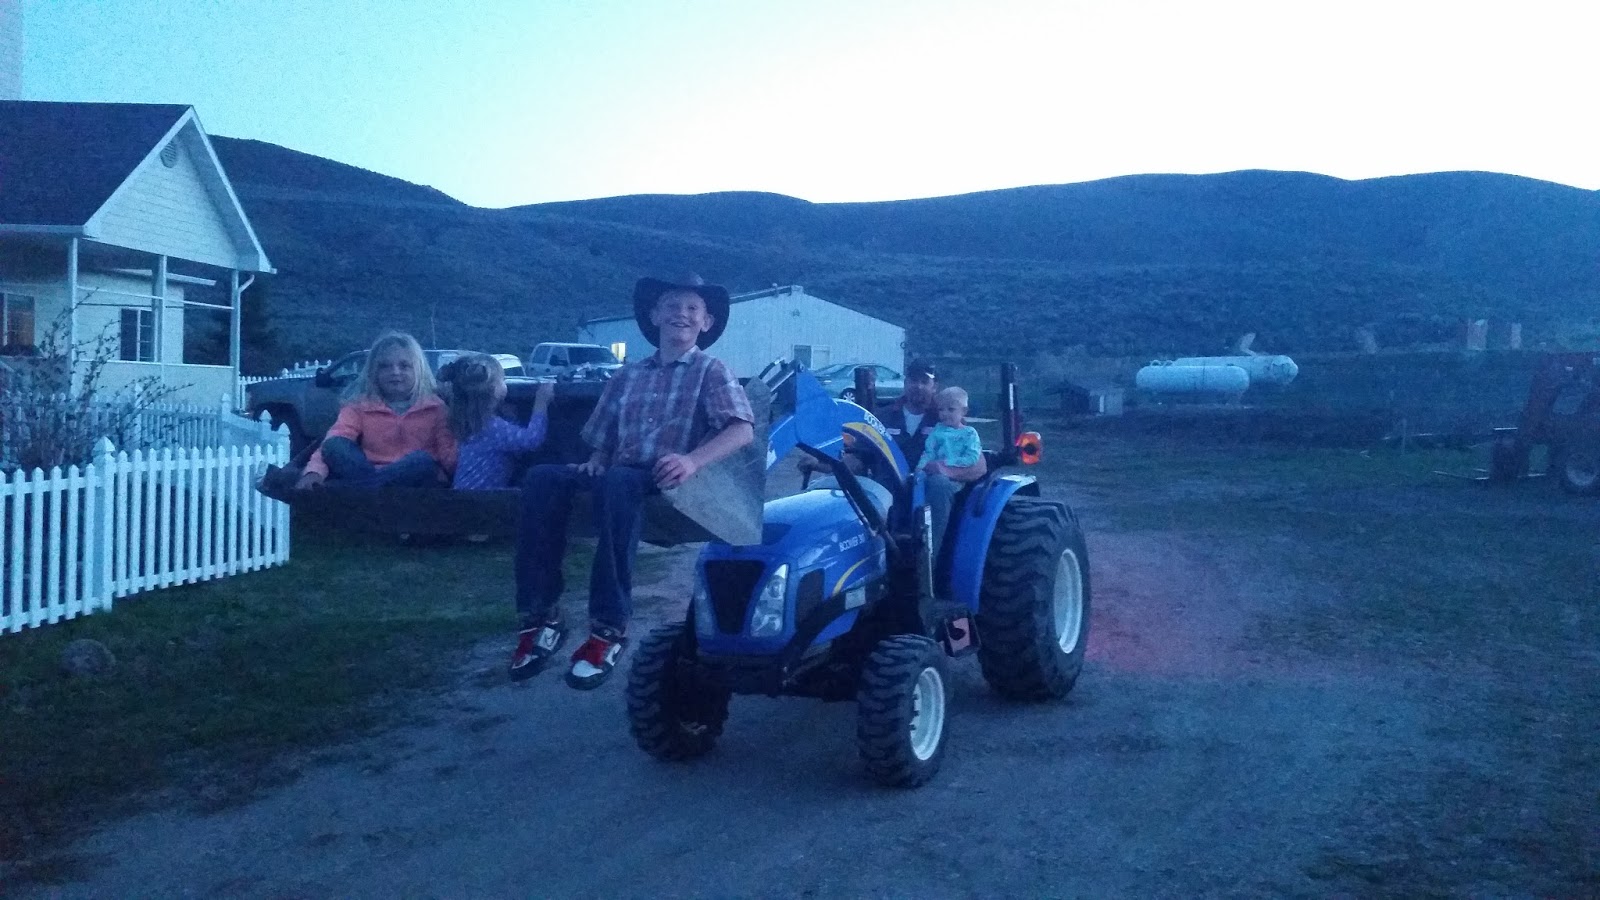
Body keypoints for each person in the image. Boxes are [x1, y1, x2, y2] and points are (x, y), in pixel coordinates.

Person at [509, 274, 755, 689]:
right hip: (617, 472)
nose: (681, 314)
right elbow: (602, 436)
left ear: (706, 322)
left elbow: (741, 429)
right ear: (655, 315)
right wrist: (595, 460)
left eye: (692, 308)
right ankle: (541, 616)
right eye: (672, 305)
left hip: (665, 475)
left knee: (620, 482)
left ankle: (608, 626)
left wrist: (692, 460)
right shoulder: (627, 376)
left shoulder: (711, 370)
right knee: (542, 478)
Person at [295, 331, 456, 490]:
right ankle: (374, 488)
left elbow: (448, 457)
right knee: (333, 445)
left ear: (419, 370)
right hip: (365, 470)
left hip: (416, 479)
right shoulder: (359, 406)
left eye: (404, 366)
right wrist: (314, 472)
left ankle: (363, 490)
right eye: (385, 366)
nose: (395, 372)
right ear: (373, 372)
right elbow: (334, 438)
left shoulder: (437, 408)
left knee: (423, 461)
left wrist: (462, 414)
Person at [440, 353, 555, 490]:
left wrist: (510, 418)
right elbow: (532, 440)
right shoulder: (491, 426)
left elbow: (505, 442)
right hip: (485, 497)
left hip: (463, 494)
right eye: (503, 380)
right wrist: (541, 403)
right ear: (495, 389)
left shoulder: (467, 422)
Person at [917, 385, 983, 564]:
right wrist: (919, 469)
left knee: (939, 483)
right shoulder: (937, 430)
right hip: (931, 475)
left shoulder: (969, 434)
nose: (945, 414)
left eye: (951, 409)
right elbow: (929, 452)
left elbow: (972, 458)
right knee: (914, 483)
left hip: (953, 480)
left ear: (964, 411)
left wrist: (945, 465)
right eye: (941, 410)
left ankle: (929, 557)